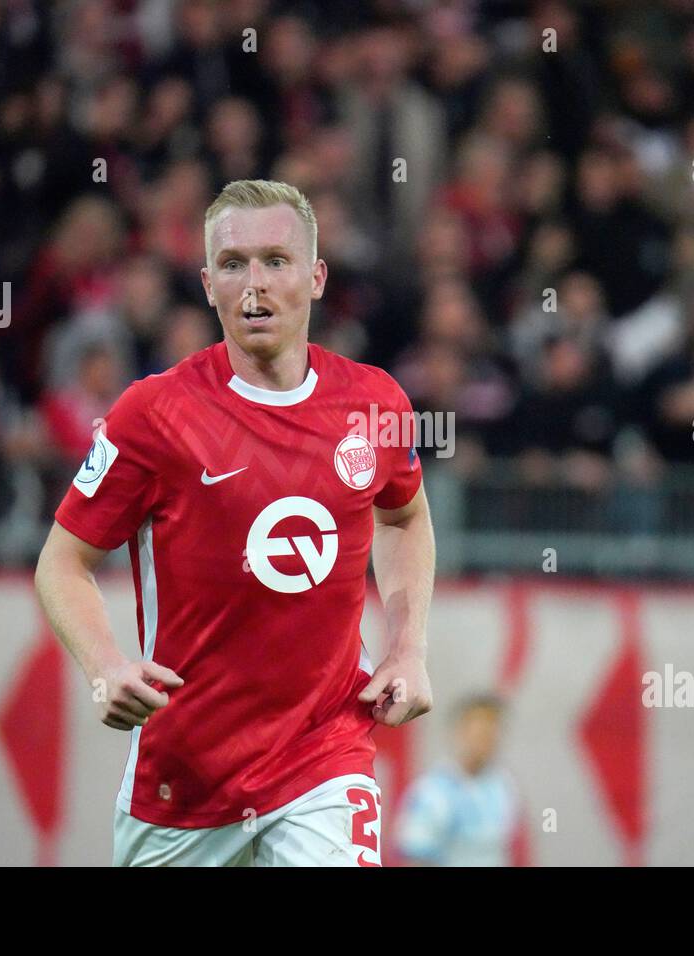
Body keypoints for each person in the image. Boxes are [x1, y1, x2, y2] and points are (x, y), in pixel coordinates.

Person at [34, 180, 435, 867]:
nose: (255, 285)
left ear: (315, 278)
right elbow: (61, 562)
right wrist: (104, 667)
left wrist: (407, 647)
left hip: (324, 753)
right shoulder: (152, 415)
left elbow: (404, 517)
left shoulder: (374, 402)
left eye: (276, 261)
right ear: (207, 284)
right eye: (233, 264)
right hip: (185, 776)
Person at [395, 694, 522, 866]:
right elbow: (414, 857)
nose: (486, 738)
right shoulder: (431, 792)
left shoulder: (503, 787)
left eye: (492, 730)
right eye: (479, 730)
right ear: (459, 731)